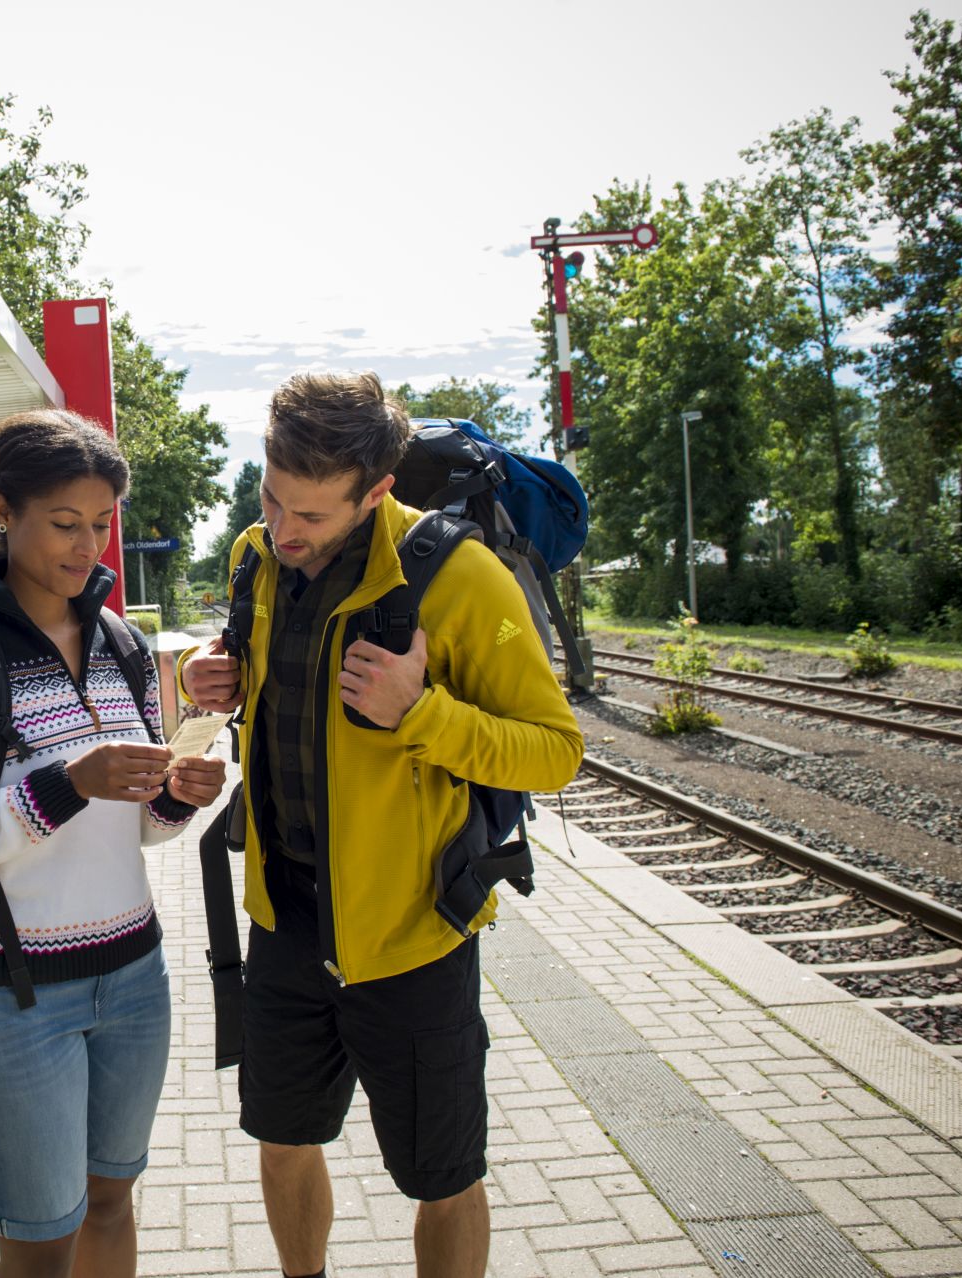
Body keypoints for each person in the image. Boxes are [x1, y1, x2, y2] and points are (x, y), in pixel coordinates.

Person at [178, 373, 583, 1278]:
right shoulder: (255, 557)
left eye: (312, 517)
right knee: (282, 1143)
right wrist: (203, 679)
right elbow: (244, 676)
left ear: (377, 493)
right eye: (272, 499)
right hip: (283, 928)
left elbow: (555, 752)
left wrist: (424, 715)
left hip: (411, 944)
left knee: (442, 1179)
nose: (286, 532)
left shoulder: (459, 577)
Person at [0, 409, 228, 1278]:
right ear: (2, 511)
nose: (88, 548)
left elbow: (137, 829)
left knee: (111, 1203)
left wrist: (176, 799)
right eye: (65, 523)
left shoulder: (120, 642)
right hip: (8, 998)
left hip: (134, 980)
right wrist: (71, 781)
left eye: (103, 523)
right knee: (40, 1249)